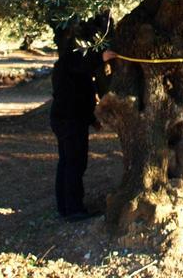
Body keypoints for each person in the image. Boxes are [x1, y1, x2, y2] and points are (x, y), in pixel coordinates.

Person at [50, 24, 116, 221]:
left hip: (66, 118)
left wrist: (91, 119)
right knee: (74, 164)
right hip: (70, 120)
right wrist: (101, 57)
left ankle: (65, 207)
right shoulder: (70, 61)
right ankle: (74, 209)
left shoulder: (67, 64)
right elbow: (81, 68)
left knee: (67, 163)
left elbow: (80, 93)